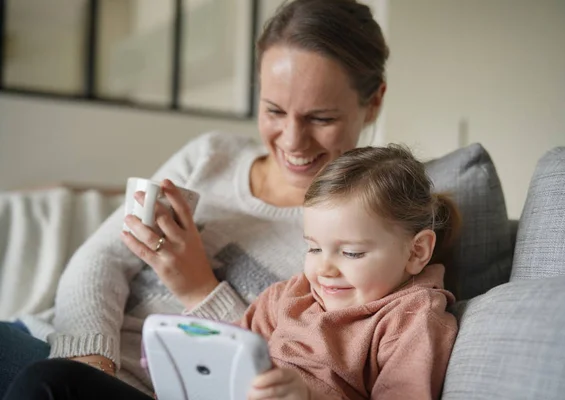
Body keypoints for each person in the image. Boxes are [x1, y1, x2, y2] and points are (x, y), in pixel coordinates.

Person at [0, 0, 389, 397]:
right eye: (273, 110)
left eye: (321, 118)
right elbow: (101, 258)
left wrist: (200, 289)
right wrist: (89, 362)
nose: (292, 141)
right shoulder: (211, 155)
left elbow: (292, 375)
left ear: (374, 101)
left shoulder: (365, 231)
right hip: (60, 346)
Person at [4, 145, 460, 400]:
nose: (324, 268)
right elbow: (230, 344)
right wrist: (177, 352)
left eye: (352, 253)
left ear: (417, 252)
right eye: (314, 247)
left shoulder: (412, 319)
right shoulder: (294, 295)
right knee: (48, 382)